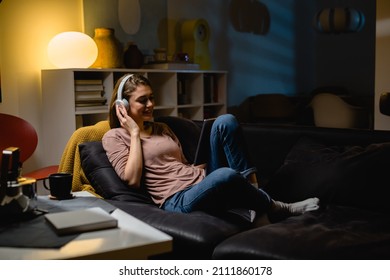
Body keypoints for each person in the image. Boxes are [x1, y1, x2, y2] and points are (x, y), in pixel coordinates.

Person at [102, 73, 319, 222]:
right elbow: (132, 179)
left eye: (151, 98)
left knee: (225, 121)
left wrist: (202, 168)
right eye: (142, 100)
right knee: (225, 175)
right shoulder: (115, 136)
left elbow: (182, 166)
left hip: (200, 182)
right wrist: (134, 132)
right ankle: (276, 207)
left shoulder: (162, 127)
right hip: (176, 200)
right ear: (122, 105)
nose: (150, 105)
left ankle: (255, 196)